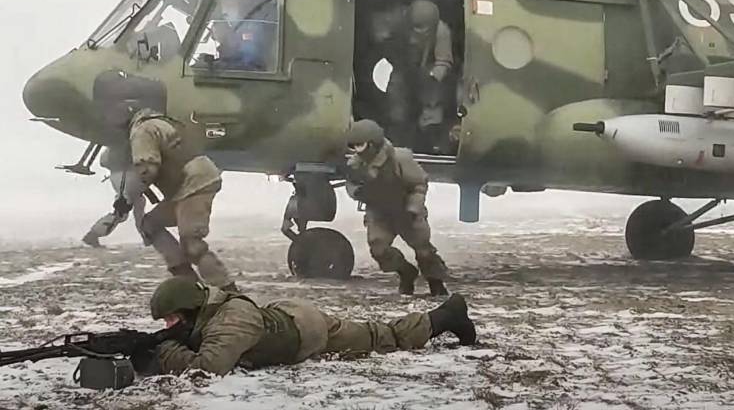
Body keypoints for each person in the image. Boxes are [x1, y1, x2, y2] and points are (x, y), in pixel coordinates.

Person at [134, 276, 476, 376]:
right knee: (378, 333)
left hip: (307, 332)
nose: (169, 326)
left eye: (172, 319)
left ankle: (446, 316)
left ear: (191, 309)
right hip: (287, 315)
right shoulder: (215, 315)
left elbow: (208, 368)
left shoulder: (231, 322)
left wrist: (163, 349)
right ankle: (447, 315)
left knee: (382, 338)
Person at [129, 108, 237, 291]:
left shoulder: (143, 130)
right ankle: (188, 283)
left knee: (192, 244)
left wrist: (130, 195)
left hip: (193, 184)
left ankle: (227, 291)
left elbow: (147, 168)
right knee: (151, 224)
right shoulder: (166, 123)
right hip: (194, 181)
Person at [344, 119, 449, 296]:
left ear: (372, 143)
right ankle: (406, 272)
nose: (357, 149)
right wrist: (358, 193)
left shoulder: (400, 158)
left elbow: (419, 183)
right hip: (379, 212)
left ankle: (436, 282)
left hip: (405, 210)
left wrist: (414, 207)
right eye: (354, 145)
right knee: (379, 249)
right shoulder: (356, 164)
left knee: (424, 251)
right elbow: (352, 185)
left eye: (360, 145)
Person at [384, 0, 454, 152]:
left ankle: (432, 144)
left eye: (422, 29)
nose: (415, 35)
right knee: (396, 103)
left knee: (433, 103)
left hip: (428, 72)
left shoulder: (442, 31)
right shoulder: (399, 25)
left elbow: (444, 62)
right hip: (403, 68)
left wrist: (431, 78)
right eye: (414, 28)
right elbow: (387, 44)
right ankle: (395, 142)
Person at [82, 147, 148, 248]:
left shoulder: (115, 145)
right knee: (121, 210)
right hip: (125, 176)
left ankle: (147, 237)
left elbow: (103, 162)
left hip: (126, 176)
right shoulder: (127, 143)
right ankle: (92, 235)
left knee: (137, 206)